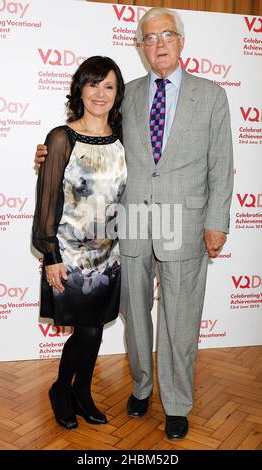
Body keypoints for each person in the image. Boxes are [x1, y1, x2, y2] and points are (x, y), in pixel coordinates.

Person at [34, 8, 233, 440]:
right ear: (140, 47)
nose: (159, 43)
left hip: (185, 222)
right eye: (149, 37)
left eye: (167, 35)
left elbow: (222, 164)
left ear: (181, 41)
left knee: (180, 319)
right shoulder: (129, 95)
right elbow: (93, 140)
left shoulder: (212, 95)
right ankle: (142, 388)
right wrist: (48, 155)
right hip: (132, 223)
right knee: (136, 318)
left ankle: (177, 403)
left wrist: (217, 221)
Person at [32, 56, 126, 429]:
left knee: (95, 328)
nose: (100, 93)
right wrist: (50, 255)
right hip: (69, 255)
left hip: (111, 254)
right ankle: (62, 390)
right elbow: (47, 202)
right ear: (79, 89)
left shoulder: (123, 140)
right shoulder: (61, 137)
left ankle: (82, 392)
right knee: (85, 329)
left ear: (117, 94)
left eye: (109, 86)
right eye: (93, 84)